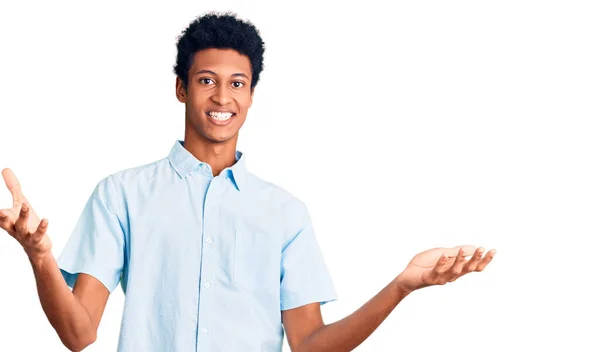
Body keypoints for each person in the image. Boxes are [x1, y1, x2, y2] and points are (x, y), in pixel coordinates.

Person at [0, 11, 496, 352]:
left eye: (237, 82)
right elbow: (79, 333)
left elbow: (308, 344)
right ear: (181, 88)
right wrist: (40, 257)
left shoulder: (284, 213)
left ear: (252, 94)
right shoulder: (121, 195)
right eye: (206, 79)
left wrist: (402, 286)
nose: (222, 96)